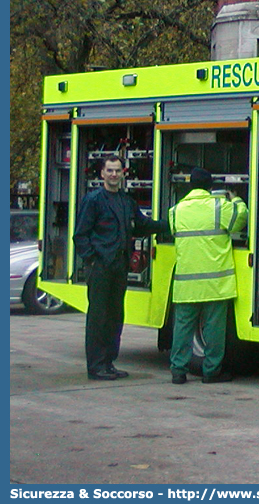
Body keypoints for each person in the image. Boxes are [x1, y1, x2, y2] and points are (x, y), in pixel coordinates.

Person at [72, 154, 169, 380]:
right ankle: (96, 367)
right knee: (98, 317)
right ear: (102, 174)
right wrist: (93, 260)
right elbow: (80, 235)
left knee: (116, 316)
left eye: (118, 171)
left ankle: (109, 362)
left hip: (120, 266)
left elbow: (142, 225)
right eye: (110, 171)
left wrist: (171, 224)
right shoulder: (94, 200)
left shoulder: (127, 201)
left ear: (123, 174)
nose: (114, 174)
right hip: (101, 266)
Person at [168, 167, 248, 384]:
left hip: (186, 284)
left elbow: (174, 232)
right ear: (211, 187)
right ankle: (211, 372)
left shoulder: (176, 210)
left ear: (190, 185)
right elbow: (241, 218)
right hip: (215, 283)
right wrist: (237, 199)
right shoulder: (219, 207)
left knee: (183, 329)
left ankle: (178, 371)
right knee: (214, 330)